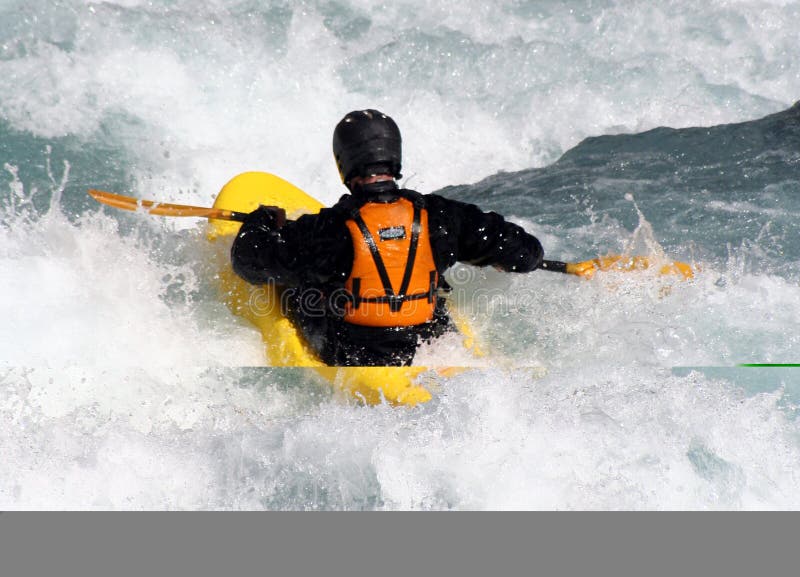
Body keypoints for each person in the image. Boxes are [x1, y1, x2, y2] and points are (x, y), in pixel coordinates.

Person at [231, 109, 544, 366]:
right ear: (394, 158)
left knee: (300, 283)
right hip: (428, 346)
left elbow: (249, 262)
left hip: (355, 354)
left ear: (344, 162)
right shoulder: (443, 216)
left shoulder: (327, 229)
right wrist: (495, 258)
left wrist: (263, 222)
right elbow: (527, 254)